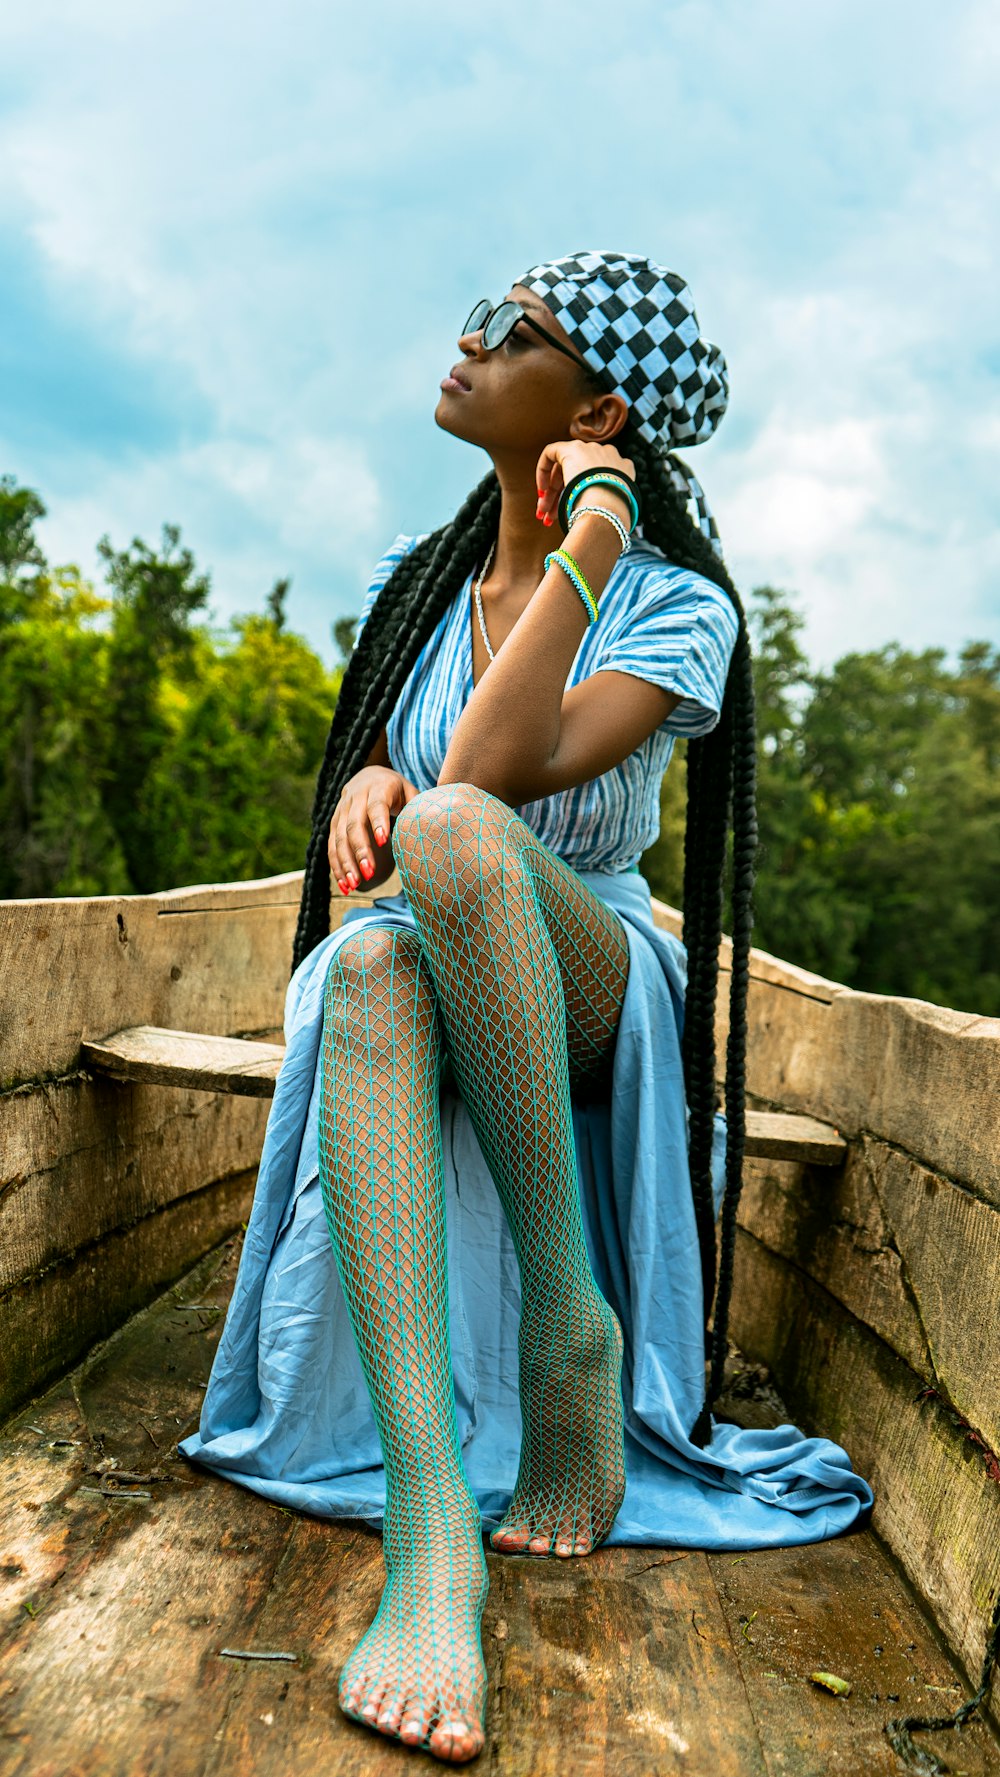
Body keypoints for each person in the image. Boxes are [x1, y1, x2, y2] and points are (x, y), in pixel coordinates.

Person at [179, 251, 873, 1764]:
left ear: (603, 404)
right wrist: (368, 770)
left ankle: (572, 1325)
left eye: (517, 333)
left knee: (450, 834)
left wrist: (595, 532)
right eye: (479, 314)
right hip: (426, 949)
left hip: (594, 971)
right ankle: (435, 1527)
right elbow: (424, 777)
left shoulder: (675, 606)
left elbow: (486, 785)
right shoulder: (412, 586)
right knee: (366, 952)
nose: (471, 341)